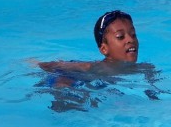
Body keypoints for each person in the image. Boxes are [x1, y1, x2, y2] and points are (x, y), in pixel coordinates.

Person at [28, 10, 162, 111]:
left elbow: (154, 91)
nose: (130, 39)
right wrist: (35, 63)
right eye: (120, 36)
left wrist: (154, 98)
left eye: (133, 34)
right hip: (73, 78)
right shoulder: (92, 67)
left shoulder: (146, 68)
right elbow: (56, 66)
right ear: (104, 49)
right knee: (64, 88)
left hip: (100, 84)